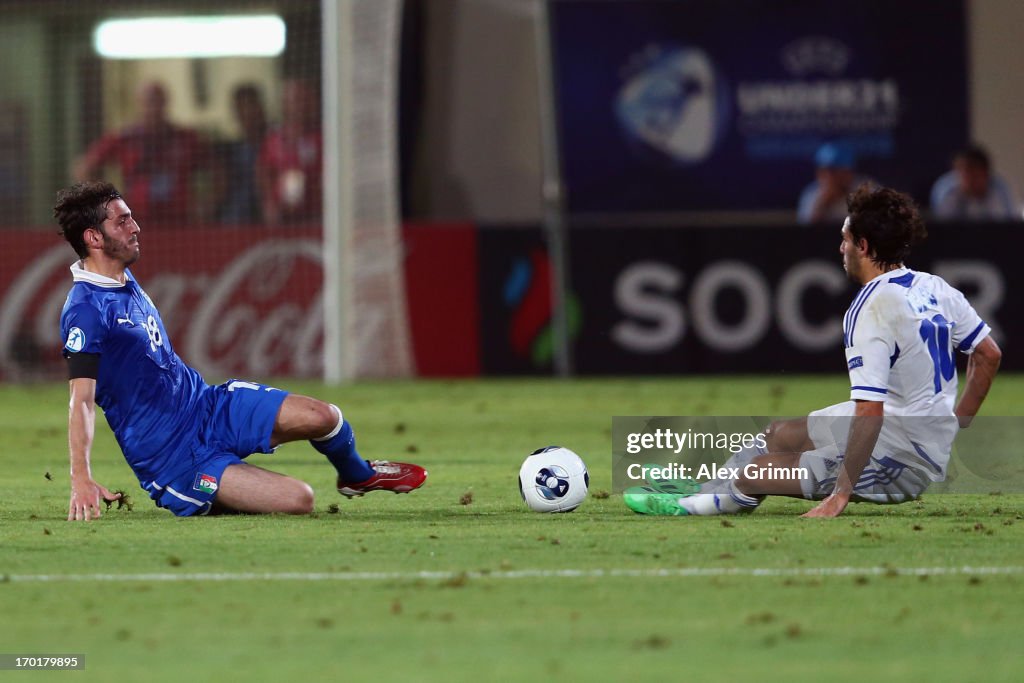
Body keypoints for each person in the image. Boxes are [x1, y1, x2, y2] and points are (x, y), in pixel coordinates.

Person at [54, 181, 427, 521]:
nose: (135, 227)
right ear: (94, 238)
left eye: (131, 217)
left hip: (207, 406)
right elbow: (81, 401)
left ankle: (358, 476)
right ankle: (208, 490)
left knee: (324, 416)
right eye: (122, 222)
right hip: (172, 458)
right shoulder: (86, 311)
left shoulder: (120, 276)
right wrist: (81, 477)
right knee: (300, 499)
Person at [626, 185, 1001, 518]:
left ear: (864, 246)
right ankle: (707, 488)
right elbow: (988, 354)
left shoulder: (871, 308)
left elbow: (869, 411)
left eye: (846, 239)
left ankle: (694, 507)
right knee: (777, 435)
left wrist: (841, 492)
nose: (841, 248)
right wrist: (957, 421)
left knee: (755, 474)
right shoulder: (934, 286)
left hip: (901, 459)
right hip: (905, 432)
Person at [73, 81, 210, 225]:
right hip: (135, 220)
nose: (154, 107)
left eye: (158, 101)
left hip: (179, 220)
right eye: (149, 102)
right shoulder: (125, 138)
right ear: (139, 104)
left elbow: (216, 168)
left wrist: (206, 204)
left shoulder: (185, 138)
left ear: (166, 102)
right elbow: (85, 168)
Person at [258, 78, 322, 224]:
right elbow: (264, 173)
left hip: (315, 218)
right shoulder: (273, 140)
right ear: (285, 103)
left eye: (306, 99)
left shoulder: (323, 139)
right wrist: (270, 203)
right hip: (281, 219)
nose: (302, 105)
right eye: (297, 99)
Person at [216, 83, 268, 224]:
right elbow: (221, 192)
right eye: (241, 108)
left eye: (251, 106)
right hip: (236, 221)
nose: (248, 113)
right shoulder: (230, 152)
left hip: (266, 218)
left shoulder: (274, 144)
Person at [929, 145, 1019, 221]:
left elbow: (1007, 225)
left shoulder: (1000, 190)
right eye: (962, 173)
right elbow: (940, 227)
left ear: (986, 174)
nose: (968, 179)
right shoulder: (946, 191)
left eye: (974, 174)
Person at [797, 142, 872, 225]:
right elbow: (804, 234)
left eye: (834, 172)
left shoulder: (868, 191)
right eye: (823, 171)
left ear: (849, 172)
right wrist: (822, 205)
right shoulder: (812, 194)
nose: (828, 177)